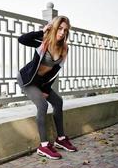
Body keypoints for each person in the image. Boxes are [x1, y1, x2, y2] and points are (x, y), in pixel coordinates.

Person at [17, 15, 77, 159]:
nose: (62, 32)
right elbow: (22, 39)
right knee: (43, 105)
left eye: (65, 30)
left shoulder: (64, 48)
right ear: (55, 27)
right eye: (60, 28)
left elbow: (55, 72)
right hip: (28, 80)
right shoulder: (43, 41)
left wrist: (45, 89)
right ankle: (43, 146)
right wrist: (43, 32)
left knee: (58, 102)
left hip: (42, 83)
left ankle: (61, 139)